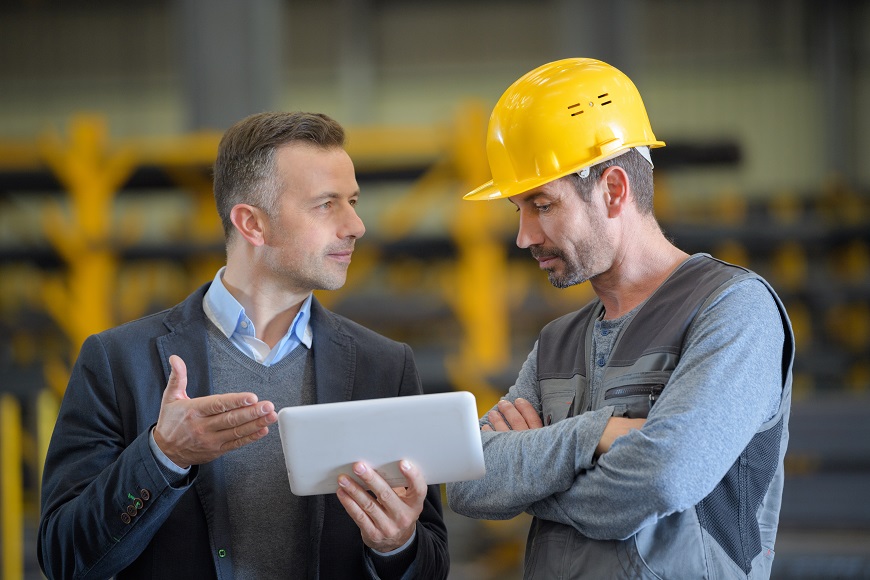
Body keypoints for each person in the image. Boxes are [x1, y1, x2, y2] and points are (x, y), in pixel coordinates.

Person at [38, 111, 450, 579]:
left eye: (353, 200)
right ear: (252, 224)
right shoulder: (116, 362)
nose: (355, 225)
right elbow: (63, 558)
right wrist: (162, 457)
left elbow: (432, 563)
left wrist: (397, 546)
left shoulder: (385, 366)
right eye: (326, 204)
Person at [446, 58, 794, 579]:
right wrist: (601, 432)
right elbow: (470, 483)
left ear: (613, 189)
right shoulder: (557, 342)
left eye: (541, 205)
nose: (523, 236)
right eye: (517, 209)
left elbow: (665, 475)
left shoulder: (732, 311)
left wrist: (536, 475)